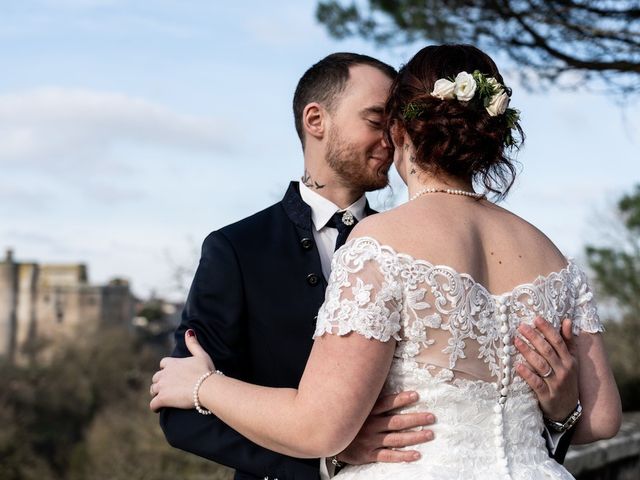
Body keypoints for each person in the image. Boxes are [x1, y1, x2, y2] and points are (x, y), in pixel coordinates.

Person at [154, 49, 594, 479]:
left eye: (397, 124)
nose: (392, 137)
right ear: (315, 120)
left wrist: (561, 411)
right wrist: (327, 459)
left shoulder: (404, 246)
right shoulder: (236, 248)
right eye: (376, 121)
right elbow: (183, 415)